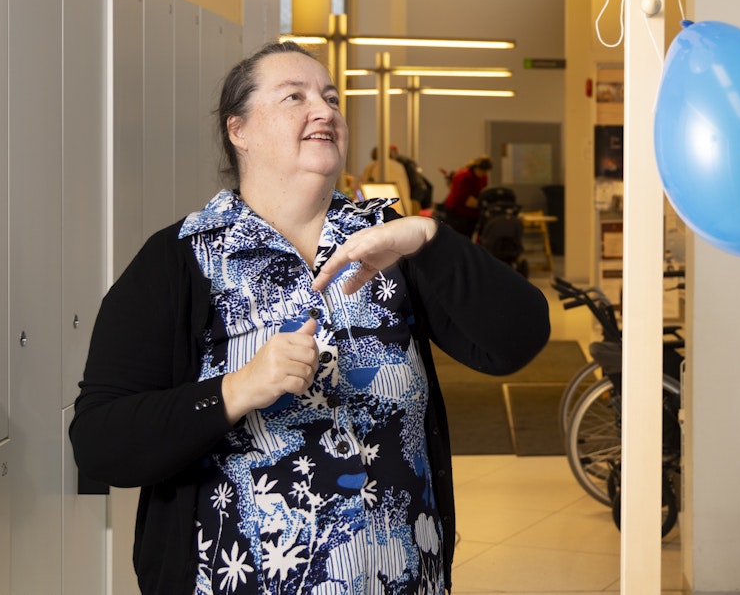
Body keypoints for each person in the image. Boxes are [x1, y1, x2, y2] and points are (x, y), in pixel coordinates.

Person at [69, 41, 551, 594]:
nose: (323, 110)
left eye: (330, 98)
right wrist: (236, 388)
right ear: (239, 130)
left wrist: (431, 238)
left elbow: (519, 338)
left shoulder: (387, 241)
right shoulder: (180, 259)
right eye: (293, 96)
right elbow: (100, 442)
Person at [441, 155, 492, 237]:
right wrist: (482, 204)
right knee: (458, 238)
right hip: (458, 213)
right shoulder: (463, 176)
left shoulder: (483, 177)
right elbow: (465, 200)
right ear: (476, 167)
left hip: (472, 214)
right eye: (482, 170)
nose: (483, 173)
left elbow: (482, 194)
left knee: (468, 238)